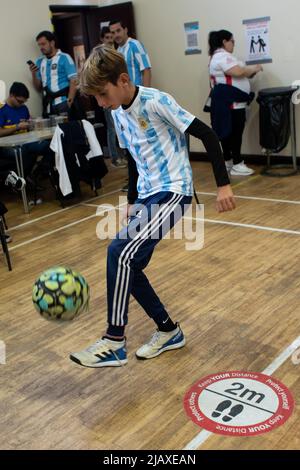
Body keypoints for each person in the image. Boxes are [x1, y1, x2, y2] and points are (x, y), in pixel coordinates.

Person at [69, 45, 236, 368]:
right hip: (147, 196)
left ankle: (114, 340)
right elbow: (133, 158)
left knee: (118, 251)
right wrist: (132, 201)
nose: (102, 103)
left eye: (103, 95)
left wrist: (223, 184)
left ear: (123, 80)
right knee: (128, 265)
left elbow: (208, 135)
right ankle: (168, 330)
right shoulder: (117, 114)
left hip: (173, 191)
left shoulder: (157, 101)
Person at [208, 30, 263, 176]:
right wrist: (254, 68)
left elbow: (240, 73)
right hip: (230, 103)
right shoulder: (221, 56)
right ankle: (236, 163)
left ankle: (229, 161)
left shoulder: (223, 57)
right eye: (232, 41)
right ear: (224, 42)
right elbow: (238, 72)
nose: (234, 44)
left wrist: (251, 71)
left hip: (233, 102)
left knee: (231, 132)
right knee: (233, 133)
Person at [0, 82, 53, 179]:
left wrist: (33, 123)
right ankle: (18, 179)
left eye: (23, 102)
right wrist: (17, 127)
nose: (22, 104)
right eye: (20, 101)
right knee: (25, 152)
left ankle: (34, 175)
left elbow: (29, 123)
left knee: (50, 146)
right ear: (11, 95)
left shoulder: (23, 108)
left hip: (26, 141)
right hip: (8, 146)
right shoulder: (1, 109)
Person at [28, 31, 78, 116]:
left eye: (43, 44)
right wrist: (33, 73)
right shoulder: (39, 62)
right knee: (52, 129)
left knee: (66, 128)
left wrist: (69, 102)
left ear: (52, 43)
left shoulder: (64, 57)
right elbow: (38, 88)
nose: (41, 47)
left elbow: (74, 80)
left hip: (63, 101)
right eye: (39, 45)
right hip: (48, 104)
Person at [100, 26, 126, 169]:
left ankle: (122, 156)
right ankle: (115, 158)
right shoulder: (101, 55)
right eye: (108, 38)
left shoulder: (115, 52)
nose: (111, 40)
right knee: (112, 128)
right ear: (102, 39)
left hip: (117, 95)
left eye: (112, 38)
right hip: (108, 96)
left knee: (120, 126)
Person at [109, 19, 152, 87]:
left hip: (138, 92)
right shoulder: (117, 51)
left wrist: (145, 95)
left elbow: (146, 70)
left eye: (118, 30)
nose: (116, 35)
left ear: (125, 30)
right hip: (126, 94)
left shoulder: (135, 45)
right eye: (113, 33)